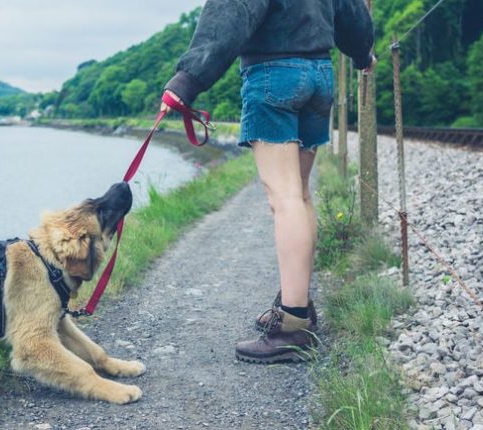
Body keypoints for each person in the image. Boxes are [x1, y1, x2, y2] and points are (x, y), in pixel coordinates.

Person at [161, 0, 376, 363]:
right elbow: (352, 11)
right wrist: (361, 53)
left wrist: (187, 81)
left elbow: (231, 13)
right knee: (300, 195)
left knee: (285, 198)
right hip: (320, 76)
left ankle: (292, 326)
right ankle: (298, 304)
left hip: (274, 75)